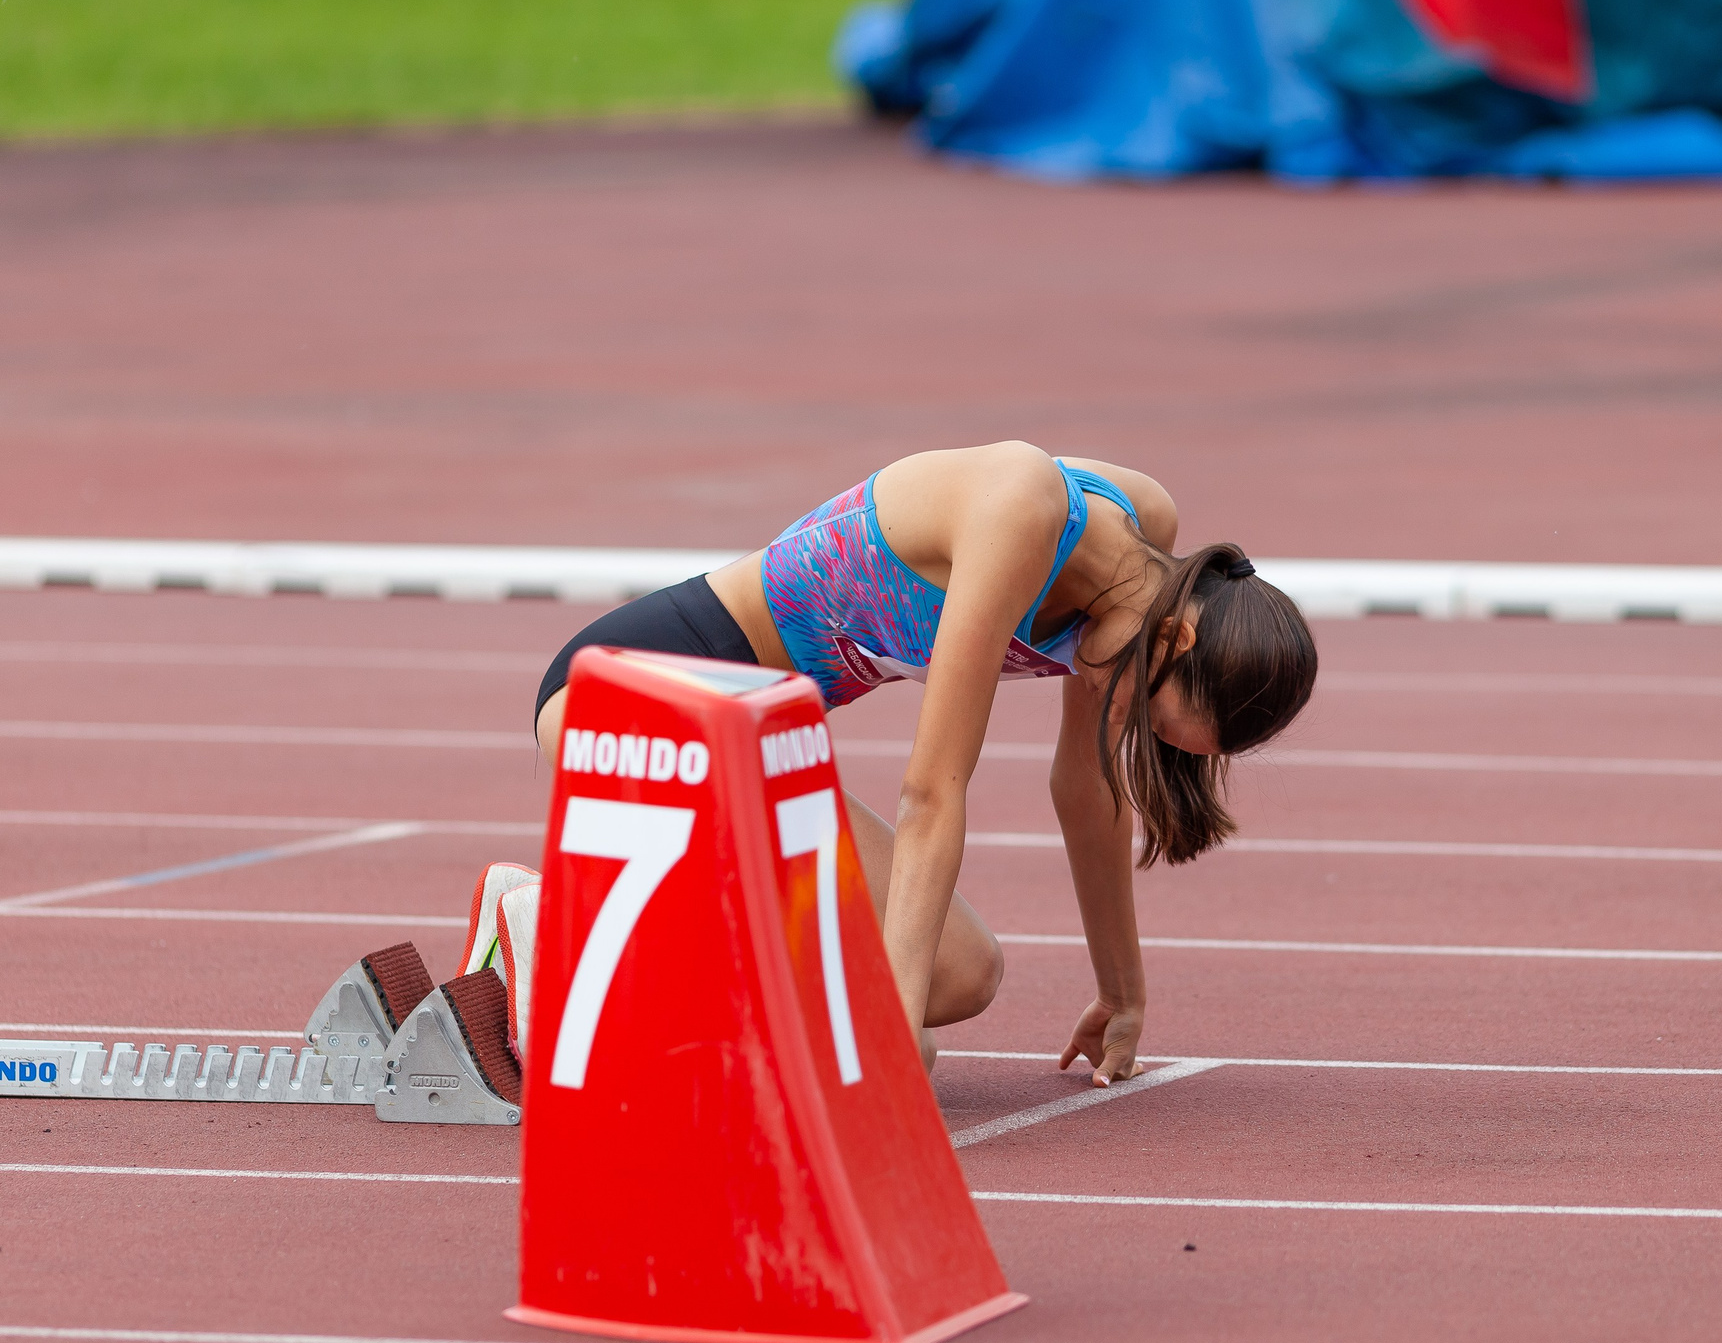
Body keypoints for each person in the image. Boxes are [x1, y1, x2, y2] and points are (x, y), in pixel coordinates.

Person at [530, 441, 1317, 1085]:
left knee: (957, 976)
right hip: (630, 692)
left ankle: (621, 960)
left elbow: (1085, 789)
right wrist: (894, 1027)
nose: (1127, 725)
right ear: (1179, 641)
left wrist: (1122, 991)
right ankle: (546, 943)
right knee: (893, 1011)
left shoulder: (1146, 564)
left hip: (751, 738)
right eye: (1145, 714)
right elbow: (932, 791)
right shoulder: (1024, 510)